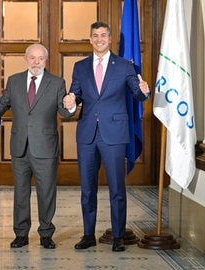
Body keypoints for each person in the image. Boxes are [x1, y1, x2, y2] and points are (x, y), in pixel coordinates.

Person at [65, 21, 151, 252]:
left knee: (116, 188)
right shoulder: (80, 67)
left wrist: (144, 91)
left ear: (110, 39)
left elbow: (137, 92)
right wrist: (71, 102)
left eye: (103, 35)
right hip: (87, 135)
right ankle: (88, 235)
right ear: (90, 39)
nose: (99, 39)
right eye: (95, 35)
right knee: (87, 189)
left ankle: (118, 237)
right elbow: (76, 94)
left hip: (114, 134)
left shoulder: (124, 66)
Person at [0, 43, 75, 249]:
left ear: (45, 60)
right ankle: (21, 234)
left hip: (45, 147)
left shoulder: (57, 82)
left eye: (40, 58)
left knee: (46, 193)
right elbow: (2, 104)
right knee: (21, 192)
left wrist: (71, 105)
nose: (36, 62)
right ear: (26, 59)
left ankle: (46, 234)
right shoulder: (14, 81)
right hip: (20, 147)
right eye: (32, 58)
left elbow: (65, 112)